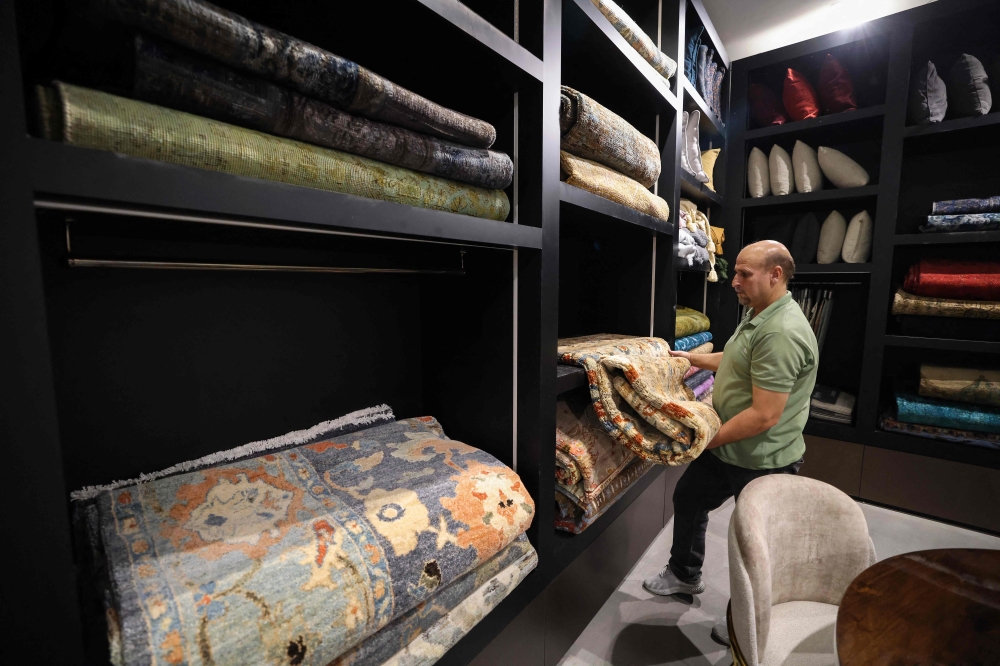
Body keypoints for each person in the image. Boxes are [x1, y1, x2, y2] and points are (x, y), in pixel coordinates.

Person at [642, 240, 819, 646]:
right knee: (689, 500)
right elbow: (737, 360)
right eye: (735, 272)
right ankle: (684, 574)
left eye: (744, 274)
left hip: (763, 458)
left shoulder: (781, 332)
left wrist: (702, 442)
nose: (733, 281)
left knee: (754, 544)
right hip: (731, 446)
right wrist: (689, 358)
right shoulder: (760, 314)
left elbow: (764, 416)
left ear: (775, 275)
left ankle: (747, 622)